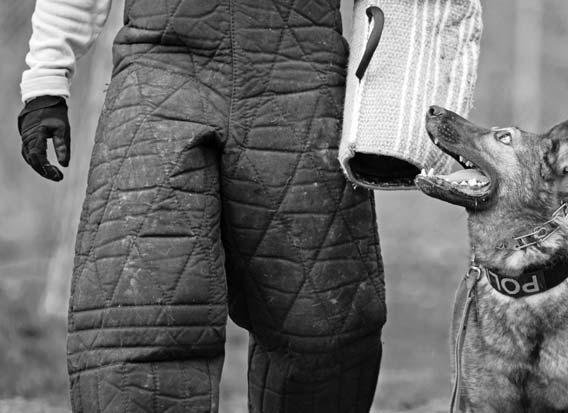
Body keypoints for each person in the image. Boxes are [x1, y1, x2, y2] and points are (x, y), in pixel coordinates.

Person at [18, 0, 386, 411]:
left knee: (321, 327)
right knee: (137, 321)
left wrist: (398, 86)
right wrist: (45, 84)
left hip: (302, 72)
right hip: (160, 72)